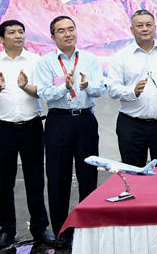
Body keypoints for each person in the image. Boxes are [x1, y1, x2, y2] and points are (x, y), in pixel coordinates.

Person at [0, 20, 54, 250]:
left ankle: (40, 228)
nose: (18, 36)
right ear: (1, 39)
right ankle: (7, 230)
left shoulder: (35, 61)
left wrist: (24, 87)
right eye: (12, 32)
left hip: (32, 127)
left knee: (36, 180)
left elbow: (42, 92)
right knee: (4, 181)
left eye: (21, 32)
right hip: (3, 129)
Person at [34, 16, 105, 249]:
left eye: (71, 29)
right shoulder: (45, 62)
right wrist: (63, 87)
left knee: (88, 175)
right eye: (61, 31)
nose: (68, 34)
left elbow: (100, 90)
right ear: (53, 36)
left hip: (85, 120)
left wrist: (87, 86)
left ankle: (87, 228)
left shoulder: (90, 59)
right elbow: (44, 93)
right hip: (59, 121)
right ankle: (62, 231)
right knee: (57, 178)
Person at [107, 9, 157, 167]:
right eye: (140, 25)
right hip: (131, 125)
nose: (145, 29)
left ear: (155, 27)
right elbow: (112, 88)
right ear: (132, 30)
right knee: (132, 172)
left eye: (148, 25)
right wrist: (132, 92)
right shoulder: (120, 56)